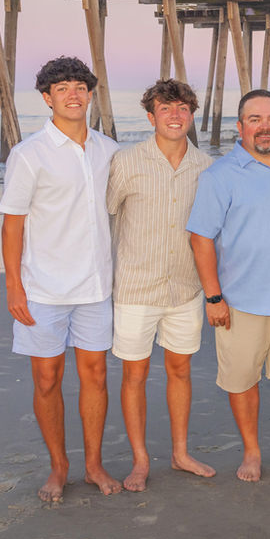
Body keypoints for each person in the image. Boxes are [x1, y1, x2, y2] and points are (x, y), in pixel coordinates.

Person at [0, 56, 121, 502]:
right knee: (47, 379)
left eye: (80, 86)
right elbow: (13, 224)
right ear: (47, 98)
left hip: (96, 286)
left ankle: (92, 465)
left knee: (96, 377)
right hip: (44, 288)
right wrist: (14, 286)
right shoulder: (29, 154)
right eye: (62, 88)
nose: (73, 94)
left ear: (90, 94)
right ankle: (59, 466)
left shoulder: (109, 150)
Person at [186, 89, 270, 483]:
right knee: (242, 380)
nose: (266, 127)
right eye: (256, 120)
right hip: (242, 299)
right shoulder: (219, 176)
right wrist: (213, 297)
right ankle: (251, 452)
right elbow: (201, 239)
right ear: (240, 127)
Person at [106, 78, 215, 492]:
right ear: (151, 116)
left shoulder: (206, 168)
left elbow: (212, 234)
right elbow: (107, 217)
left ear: (192, 115)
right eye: (166, 109)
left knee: (180, 370)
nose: (175, 115)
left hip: (185, 288)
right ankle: (139, 460)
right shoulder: (126, 163)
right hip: (136, 288)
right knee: (134, 375)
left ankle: (181, 453)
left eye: (183, 108)